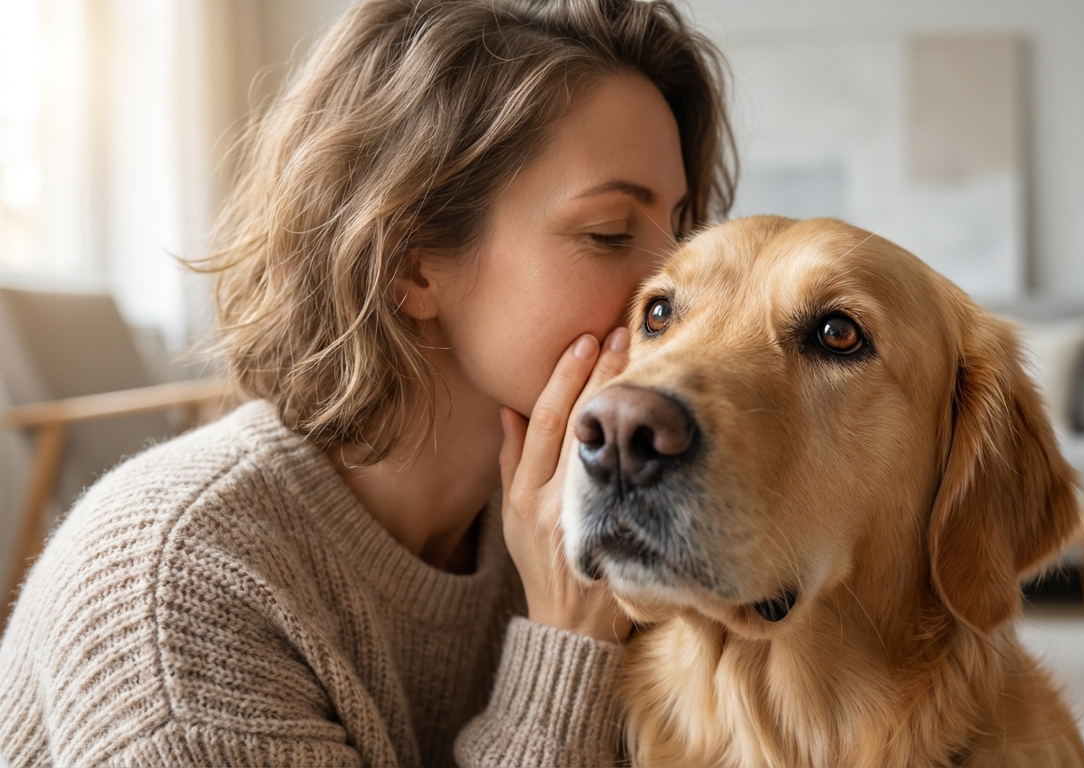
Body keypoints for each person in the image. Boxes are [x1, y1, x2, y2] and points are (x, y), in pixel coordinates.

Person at [0, 0, 735, 765]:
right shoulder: (174, 586)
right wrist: (565, 647)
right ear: (410, 263)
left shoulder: (581, 508)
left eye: (680, 235)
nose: (675, 293)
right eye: (611, 234)